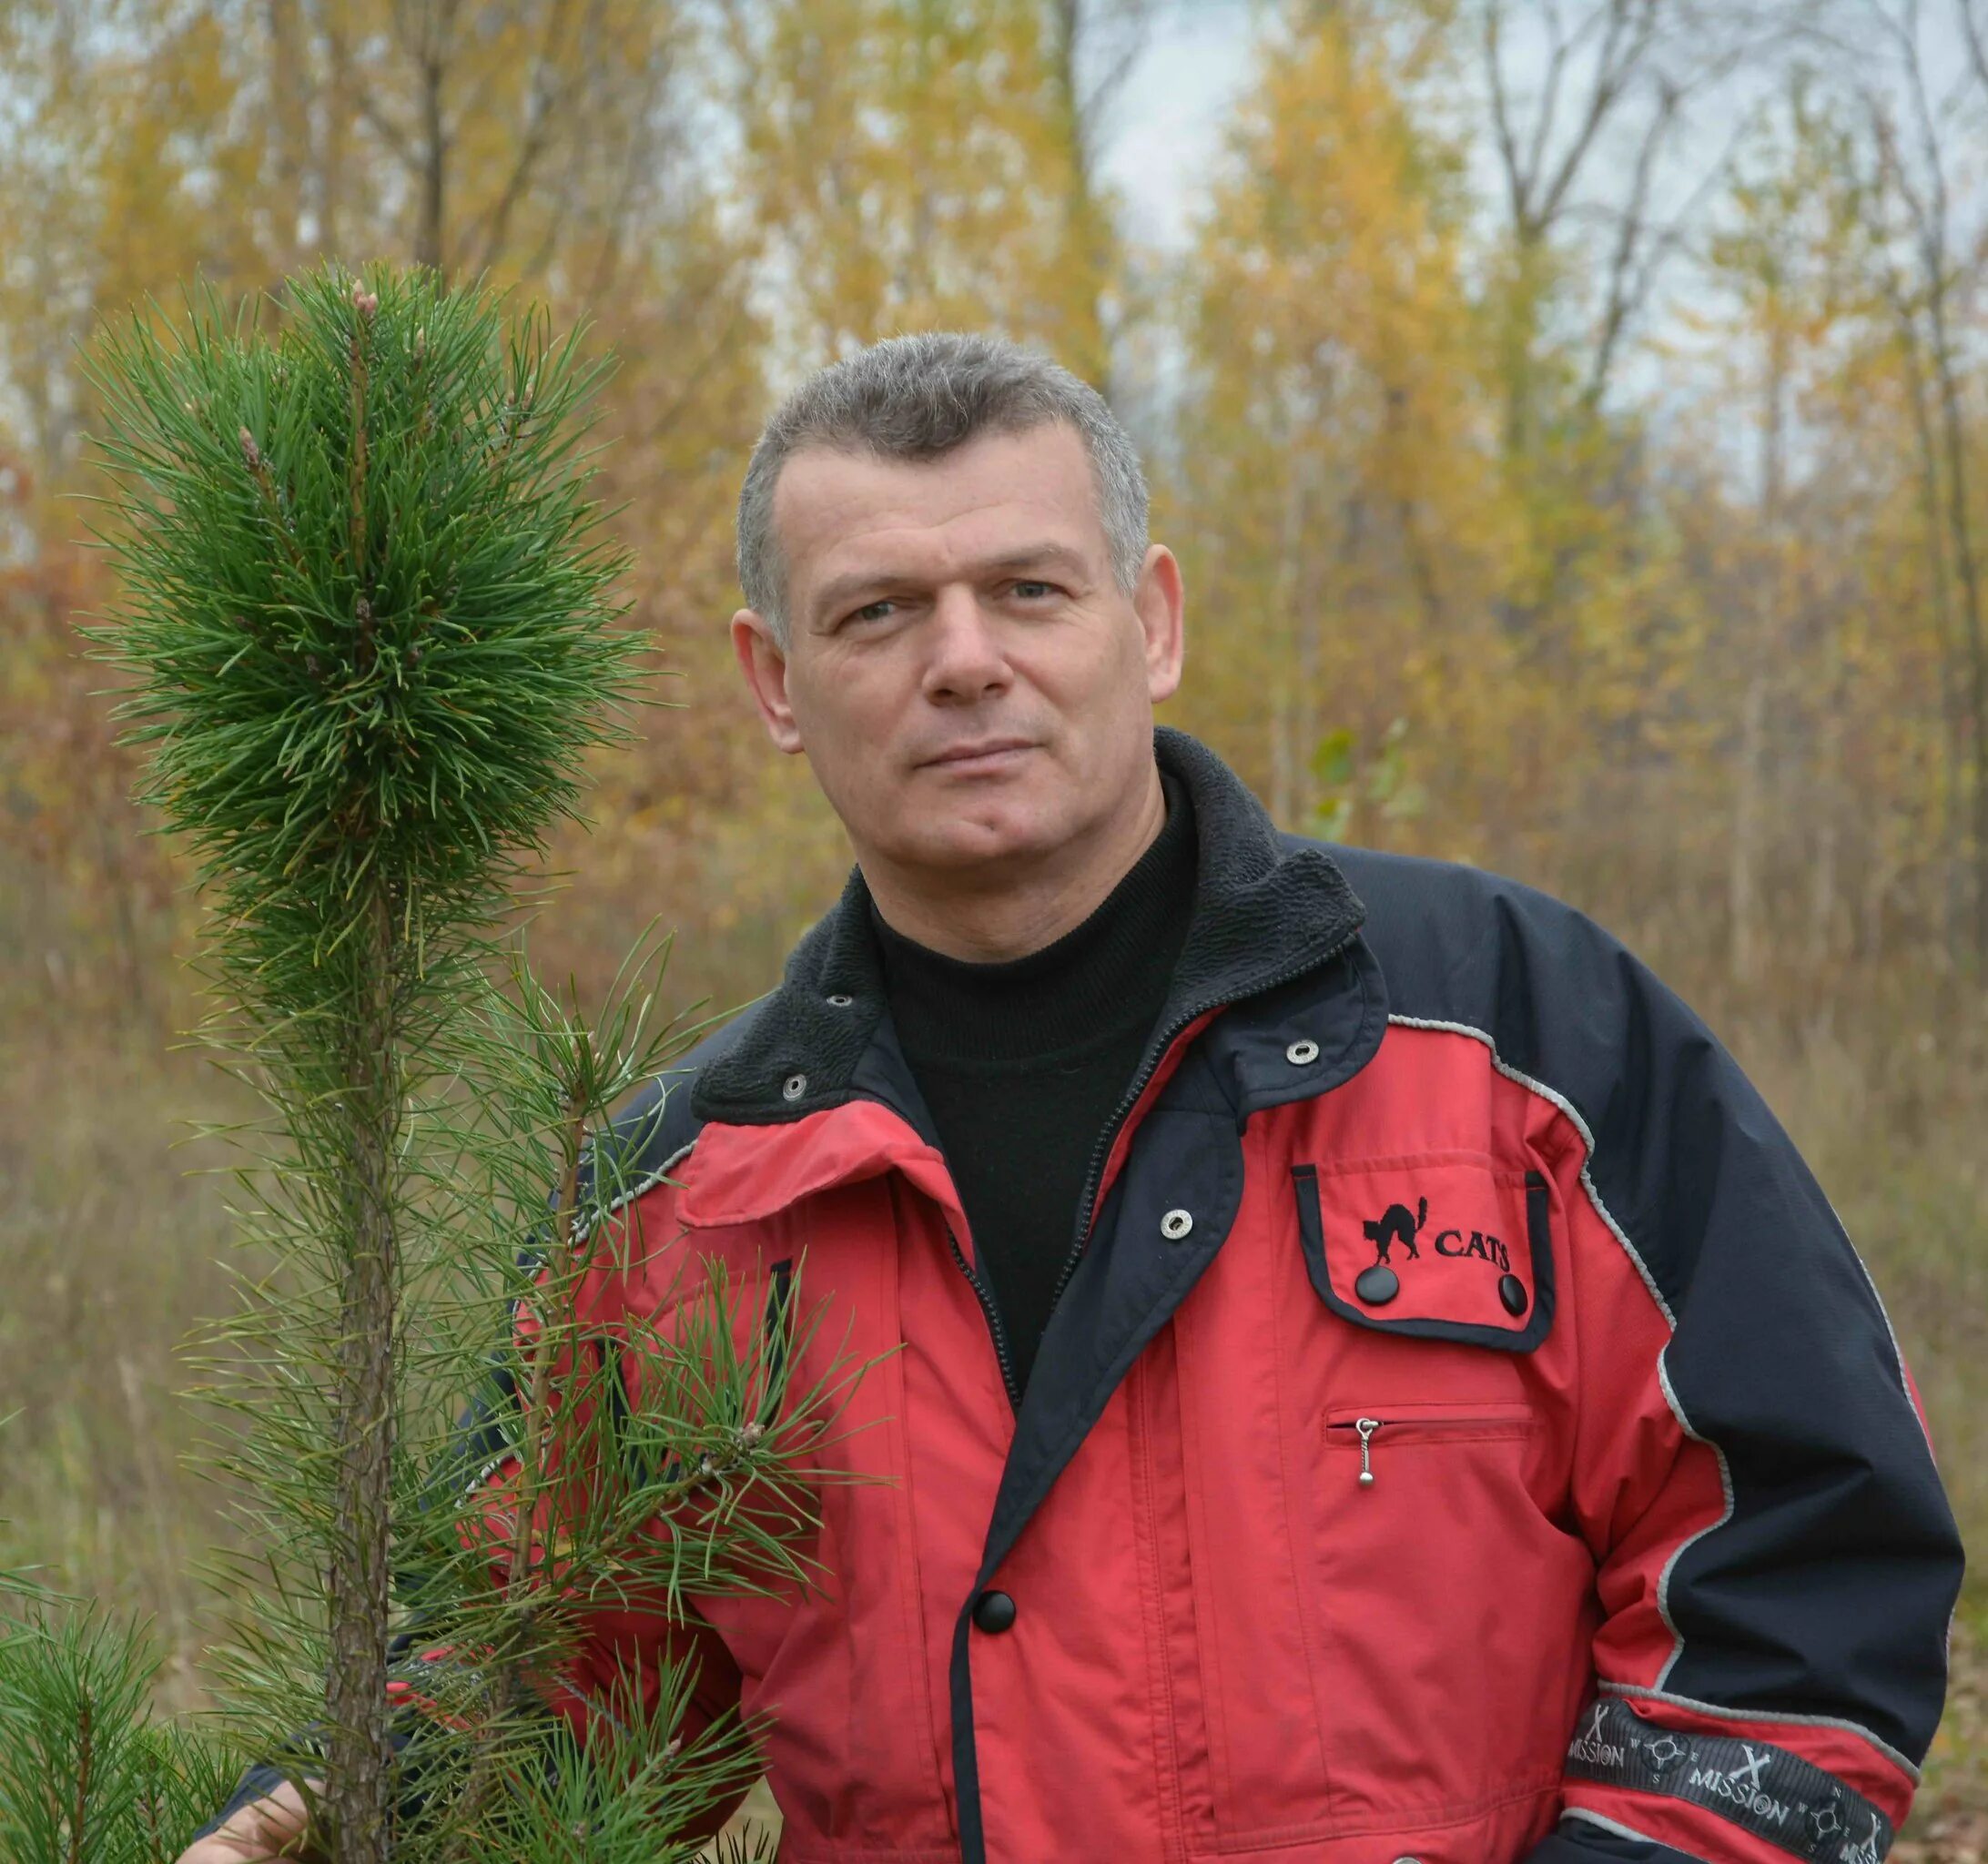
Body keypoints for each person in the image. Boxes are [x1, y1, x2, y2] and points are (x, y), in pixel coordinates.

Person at [185, 332, 1963, 1863]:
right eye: (876, 611)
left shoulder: (1516, 1037)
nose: (964, 659)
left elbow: (1799, 1572)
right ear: (775, 685)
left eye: (1028, 588)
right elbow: (537, 1688)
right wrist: (315, 1811)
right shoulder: (682, 1199)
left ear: (1152, 618)